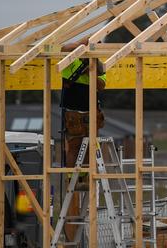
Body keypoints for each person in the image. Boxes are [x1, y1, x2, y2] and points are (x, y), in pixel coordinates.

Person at [60, 38, 107, 240]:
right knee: (74, 146)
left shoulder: (97, 64)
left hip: (91, 110)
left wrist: (93, 69)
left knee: (90, 145)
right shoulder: (71, 60)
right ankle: (74, 176)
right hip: (73, 111)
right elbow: (63, 47)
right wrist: (82, 44)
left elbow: (102, 85)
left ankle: (88, 175)